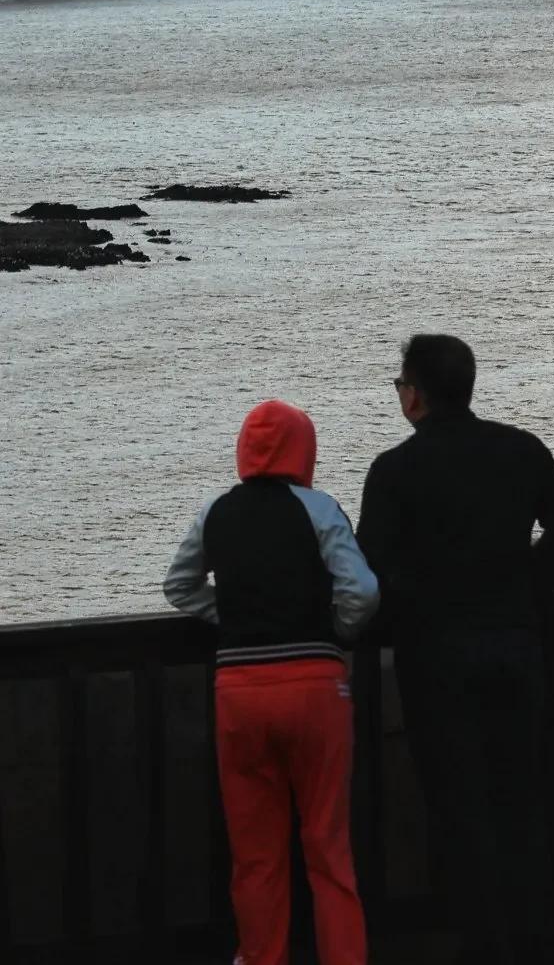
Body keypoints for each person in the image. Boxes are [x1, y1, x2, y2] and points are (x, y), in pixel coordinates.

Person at [356, 334, 554, 965]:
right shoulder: (520, 449)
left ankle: (484, 946)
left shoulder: (394, 470)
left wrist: (419, 596)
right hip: (518, 643)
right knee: (522, 797)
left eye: (401, 384)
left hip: (436, 657)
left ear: (416, 394)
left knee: (459, 806)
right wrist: (527, 577)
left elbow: (369, 569)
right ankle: (539, 944)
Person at [165, 398, 379, 965]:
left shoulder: (215, 511)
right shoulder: (318, 508)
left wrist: (229, 619)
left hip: (239, 690)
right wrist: (336, 629)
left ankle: (263, 958)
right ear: (303, 450)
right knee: (328, 849)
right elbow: (362, 591)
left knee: (255, 855)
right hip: (314, 686)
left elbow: (179, 586)